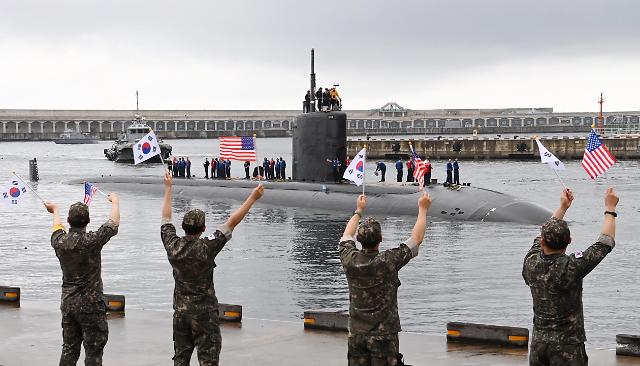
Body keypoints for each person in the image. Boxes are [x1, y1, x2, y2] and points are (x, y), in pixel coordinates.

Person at [161, 171, 264, 366]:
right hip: (204, 315)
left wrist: (168, 188)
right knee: (208, 360)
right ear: (203, 228)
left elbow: (166, 219)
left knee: (180, 359)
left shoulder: (172, 246)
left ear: (183, 227)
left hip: (181, 314)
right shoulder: (207, 246)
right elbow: (232, 222)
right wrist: (253, 197)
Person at [523, 187, 619, 366]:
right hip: (568, 347)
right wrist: (610, 208)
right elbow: (605, 242)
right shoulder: (572, 266)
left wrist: (563, 207)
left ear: (543, 241)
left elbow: (541, 235)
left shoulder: (531, 262)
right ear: (569, 241)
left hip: (539, 345)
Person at [339, 192, 430, 366]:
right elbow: (416, 239)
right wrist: (423, 208)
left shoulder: (349, 259)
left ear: (359, 240)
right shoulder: (388, 261)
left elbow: (346, 236)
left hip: (357, 335)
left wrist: (359, 210)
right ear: (380, 239)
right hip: (384, 337)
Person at [44, 194, 121, 366]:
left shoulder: (59, 241)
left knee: (69, 349)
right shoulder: (91, 241)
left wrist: (54, 209)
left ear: (68, 220)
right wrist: (115, 202)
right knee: (93, 352)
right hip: (91, 305)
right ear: (88, 221)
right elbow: (113, 224)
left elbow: (57, 227)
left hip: (68, 303)